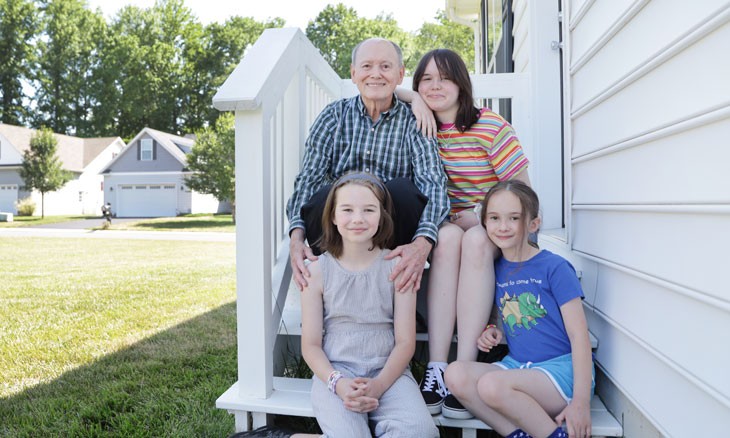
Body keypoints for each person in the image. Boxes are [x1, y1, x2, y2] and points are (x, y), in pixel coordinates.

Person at [402, 49, 531, 417]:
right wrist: (414, 100)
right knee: (446, 239)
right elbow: (391, 88)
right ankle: (437, 369)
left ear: (462, 83)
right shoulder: (421, 127)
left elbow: (522, 192)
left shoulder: (489, 125)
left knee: (472, 239)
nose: (435, 86)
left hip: (494, 223)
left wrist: (481, 219)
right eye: (425, 79)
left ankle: (464, 369)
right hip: (448, 225)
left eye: (444, 77)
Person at [286, 38, 449, 297]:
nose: (376, 74)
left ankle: (391, 289)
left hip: (391, 228)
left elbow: (434, 183)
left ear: (400, 74)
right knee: (320, 198)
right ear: (353, 74)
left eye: (385, 66)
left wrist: (422, 243)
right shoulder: (333, 116)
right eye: (366, 66)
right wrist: (295, 239)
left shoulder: (414, 120)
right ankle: (334, 288)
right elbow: (308, 178)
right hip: (342, 229)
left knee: (406, 191)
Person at [444, 180, 594, 438]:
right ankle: (517, 434)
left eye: (513, 218)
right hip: (518, 367)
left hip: (559, 372)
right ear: (485, 223)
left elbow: (579, 337)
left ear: (533, 224)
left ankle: (550, 435)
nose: (503, 227)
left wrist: (580, 402)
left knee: (491, 385)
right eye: (494, 218)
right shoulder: (496, 268)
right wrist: (491, 331)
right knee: (455, 373)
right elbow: (502, 318)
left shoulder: (555, 268)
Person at [299, 172, 439, 438]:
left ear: (382, 215)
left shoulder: (398, 267)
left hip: (388, 371)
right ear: (332, 216)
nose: (358, 219)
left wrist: (379, 384)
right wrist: (337, 383)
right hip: (336, 374)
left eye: (369, 210)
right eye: (347, 210)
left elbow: (406, 342)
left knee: (420, 432)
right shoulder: (316, 271)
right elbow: (310, 345)